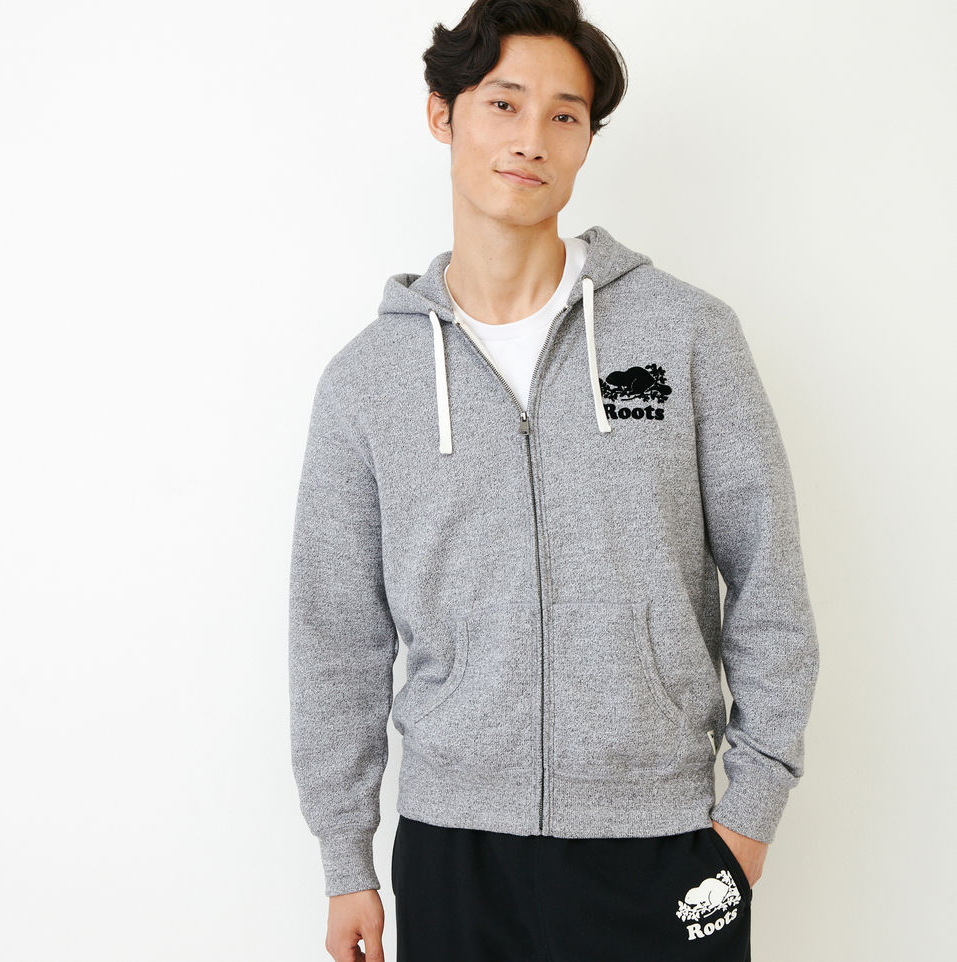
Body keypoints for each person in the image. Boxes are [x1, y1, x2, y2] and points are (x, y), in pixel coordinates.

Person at [288, 1, 819, 959]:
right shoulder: (366, 383)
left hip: (666, 840)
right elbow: (337, 637)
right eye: (504, 103)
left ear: (585, 142)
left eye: (564, 115)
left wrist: (748, 820)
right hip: (455, 851)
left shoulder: (688, 336)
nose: (532, 138)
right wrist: (345, 859)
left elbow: (770, 582)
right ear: (443, 114)